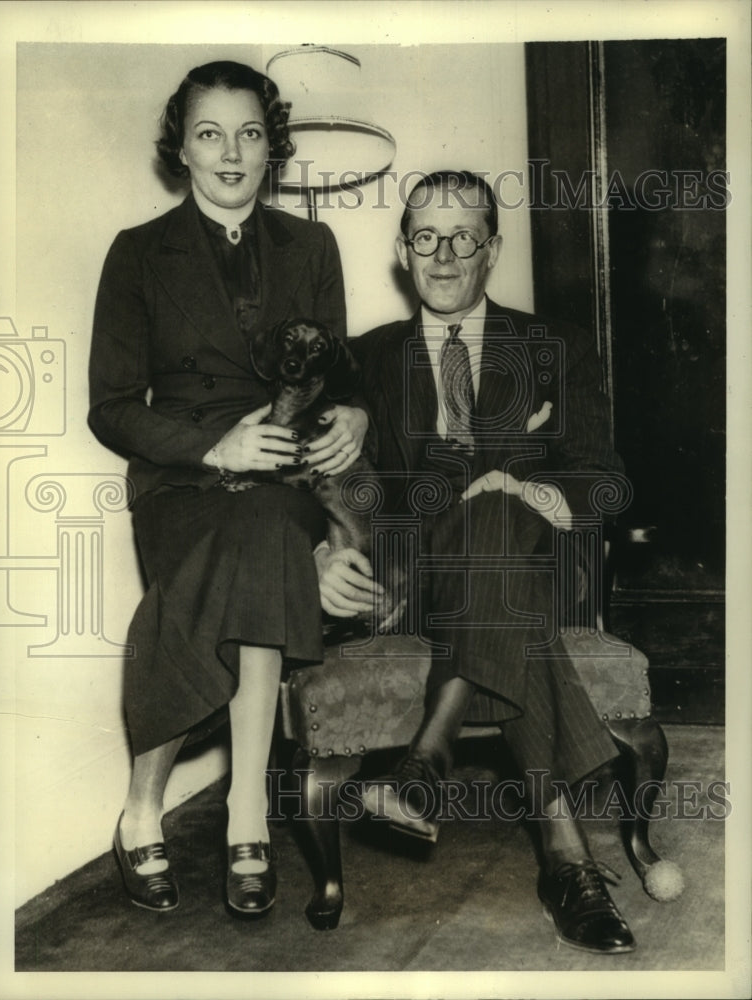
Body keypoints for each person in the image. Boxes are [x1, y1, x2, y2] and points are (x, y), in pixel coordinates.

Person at [319, 170, 636, 954]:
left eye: (466, 236)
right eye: (427, 236)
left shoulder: (553, 347)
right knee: (498, 581)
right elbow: (329, 486)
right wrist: (323, 550)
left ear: (492, 248)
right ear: (403, 250)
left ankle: (427, 755)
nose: (446, 254)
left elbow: (607, 482)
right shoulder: (364, 361)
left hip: (534, 567)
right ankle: (567, 857)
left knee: (498, 518)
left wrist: (515, 487)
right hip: (418, 586)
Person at [88, 61, 368, 918]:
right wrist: (218, 445)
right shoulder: (138, 253)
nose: (232, 153)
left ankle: (190, 808)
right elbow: (111, 409)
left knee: (264, 532)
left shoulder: (311, 246)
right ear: (181, 147)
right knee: (258, 545)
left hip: (281, 482)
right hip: (183, 485)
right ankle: (235, 813)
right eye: (210, 134)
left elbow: (337, 367)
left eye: (249, 133)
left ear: (271, 144)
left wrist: (353, 409)